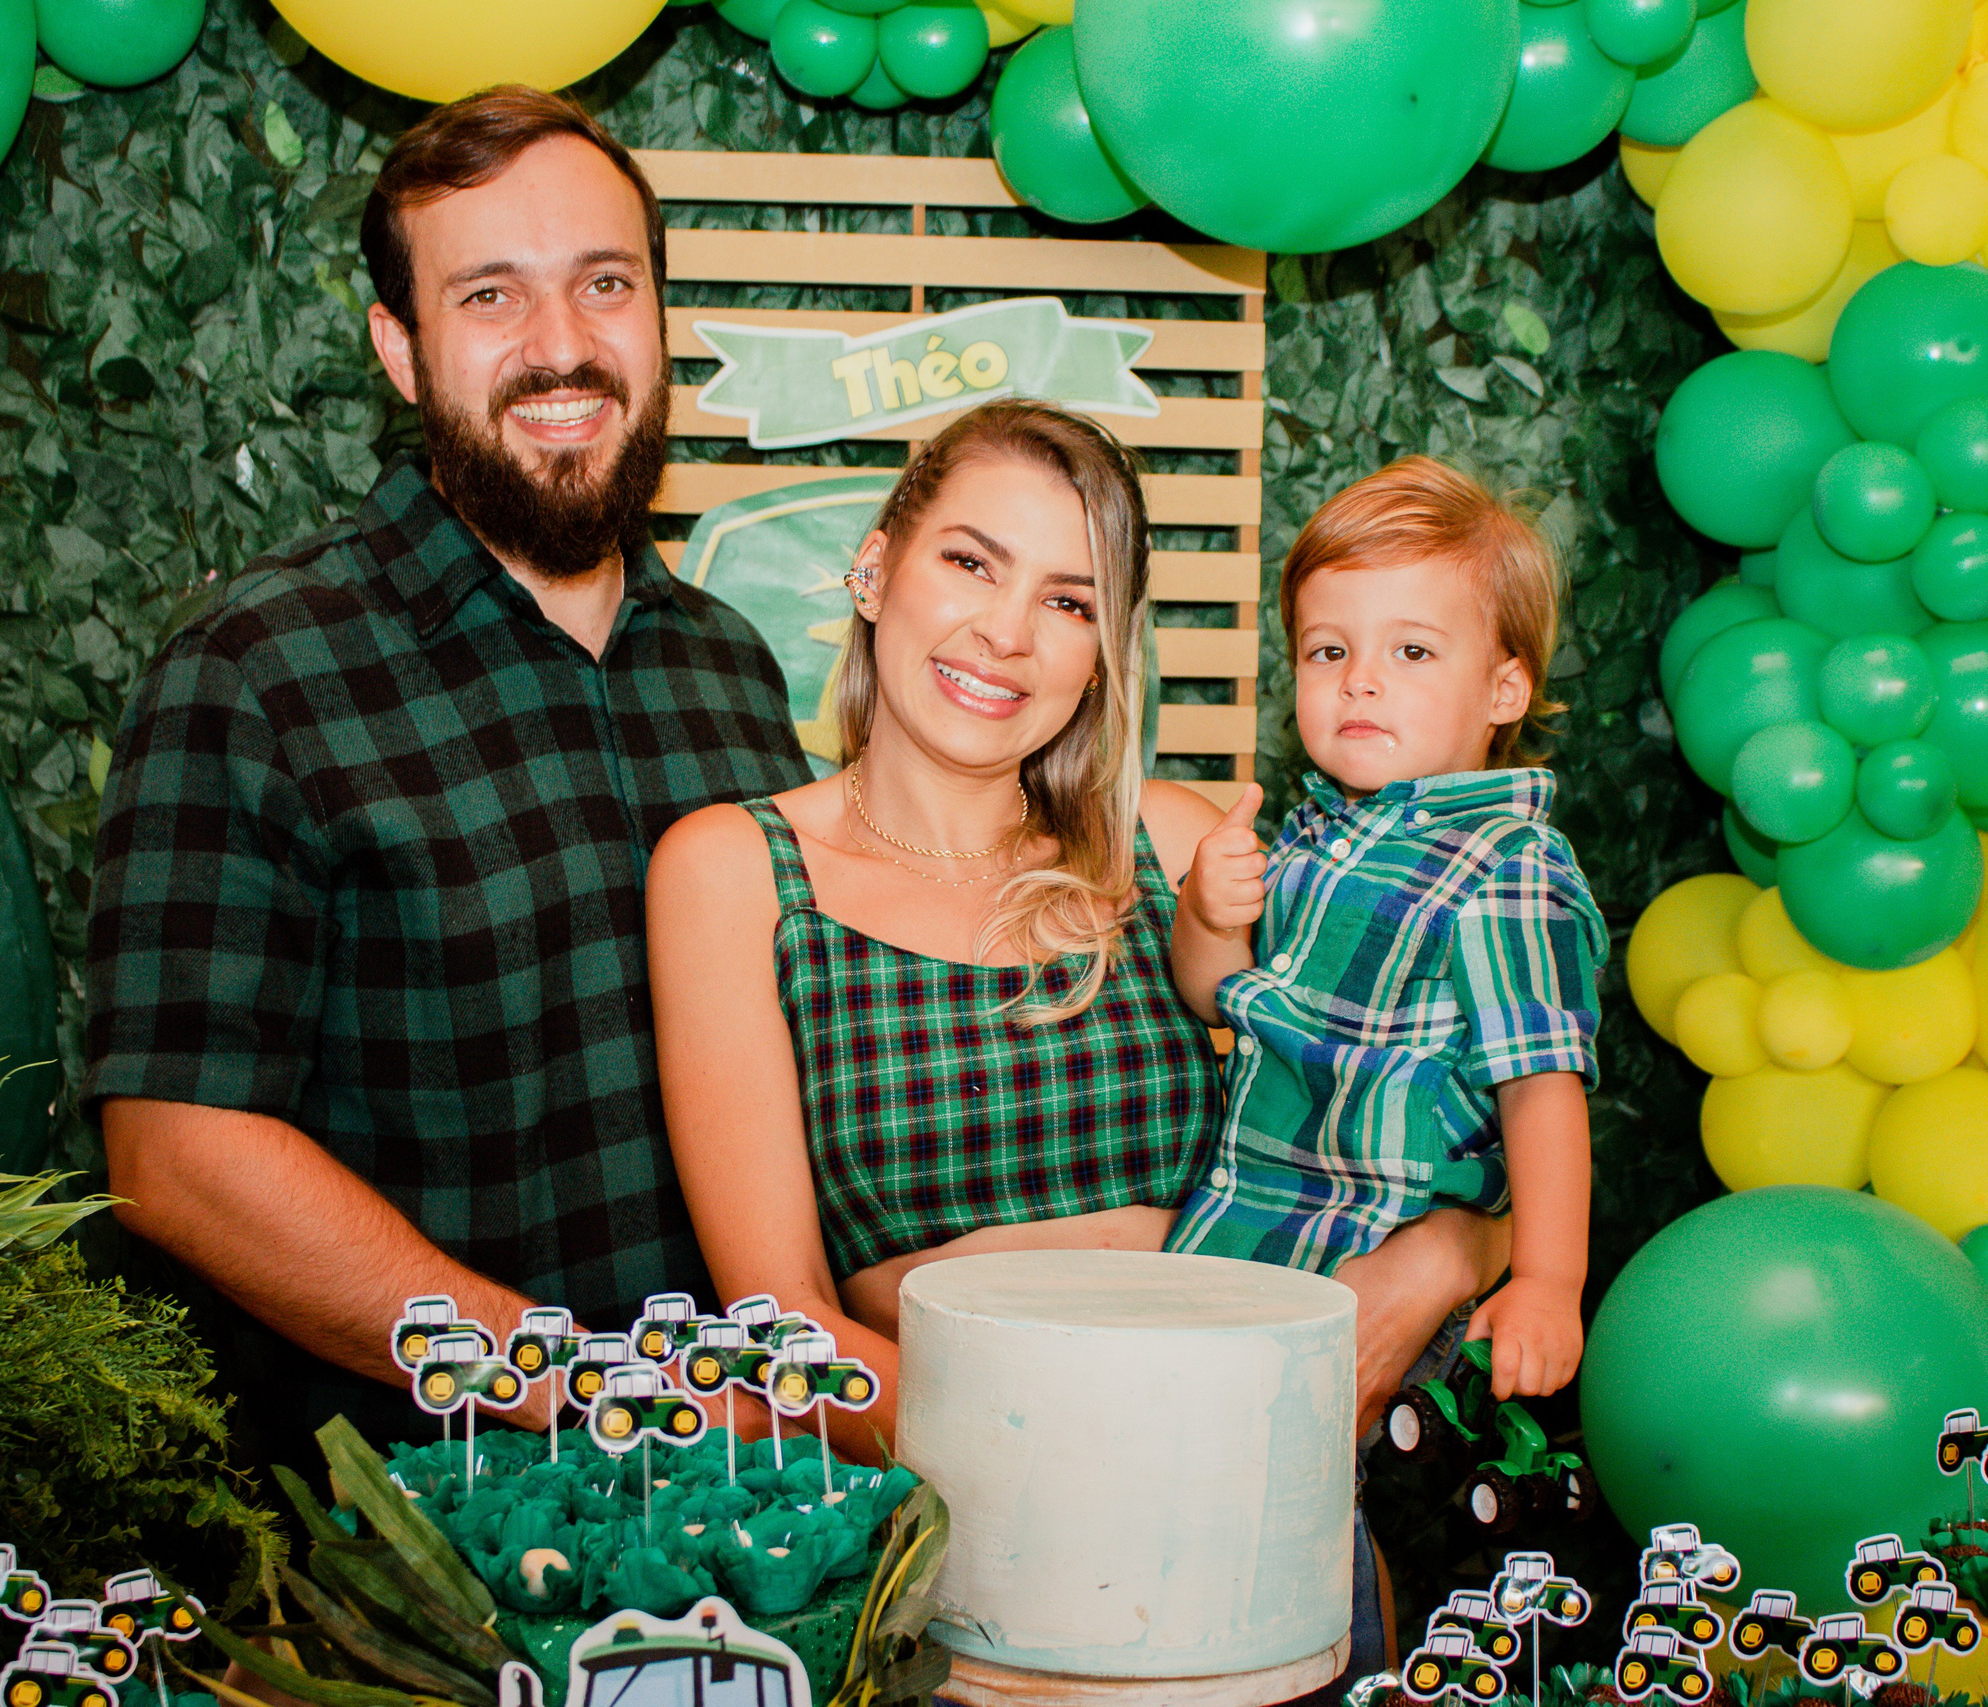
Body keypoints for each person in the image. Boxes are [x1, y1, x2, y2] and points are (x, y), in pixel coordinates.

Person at [83, 86, 810, 1470]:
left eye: (607, 284)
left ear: (661, 319)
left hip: (750, 1500)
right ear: (401, 352)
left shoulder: (730, 669)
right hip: (407, 1540)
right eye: (491, 296)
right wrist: (576, 1384)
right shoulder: (255, 669)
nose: (564, 348)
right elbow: (174, 1153)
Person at [646, 404, 1512, 1469]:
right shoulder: (734, 872)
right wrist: (1065, 1452)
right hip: (962, 1496)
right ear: (875, 571)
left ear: (1102, 655)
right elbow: (780, 1319)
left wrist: (1446, 1254)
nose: (1006, 632)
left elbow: (1499, 1105)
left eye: (1067, 600)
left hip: (1257, 1462)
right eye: (971, 562)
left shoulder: (1184, 852)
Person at [1168, 458, 1608, 1688]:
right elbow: (1217, 997)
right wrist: (1207, 915)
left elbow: (1543, 1089)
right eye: (1325, 650)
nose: (1359, 678)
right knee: (1212, 1540)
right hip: (1247, 1247)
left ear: (1504, 686)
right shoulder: (1311, 839)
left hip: (1385, 1271)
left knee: (1337, 1546)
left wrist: (1547, 1280)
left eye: (1412, 652)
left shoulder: (1503, 864)